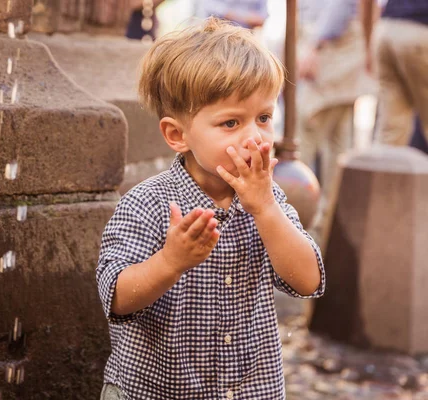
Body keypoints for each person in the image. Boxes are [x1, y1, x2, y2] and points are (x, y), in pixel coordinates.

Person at [96, 18, 325, 400]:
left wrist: (266, 209)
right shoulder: (147, 202)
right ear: (178, 135)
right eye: (231, 122)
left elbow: (307, 282)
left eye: (264, 118)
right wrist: (170, 261)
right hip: (156, 390)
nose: (254, 136)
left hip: (249, 389)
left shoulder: (270, 199)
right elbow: (116, 298)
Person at [296, 0, 374, 245]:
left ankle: (301, 226)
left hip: (332, 50)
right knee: (338, 145)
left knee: (304, 138)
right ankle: (327, 230)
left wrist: (313, 46)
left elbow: (338, 7)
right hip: (339, 49)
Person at [360, 0, 428, 146]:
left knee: (391, 130)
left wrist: (367, 47)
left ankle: (382, 168)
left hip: (386, 30)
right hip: (420, 29)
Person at [195, 0, 268, 29]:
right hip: (214, 36)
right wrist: (248, 18)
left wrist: (230, 14)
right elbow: (211, 8)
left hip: (245, 41)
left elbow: (261, 20)